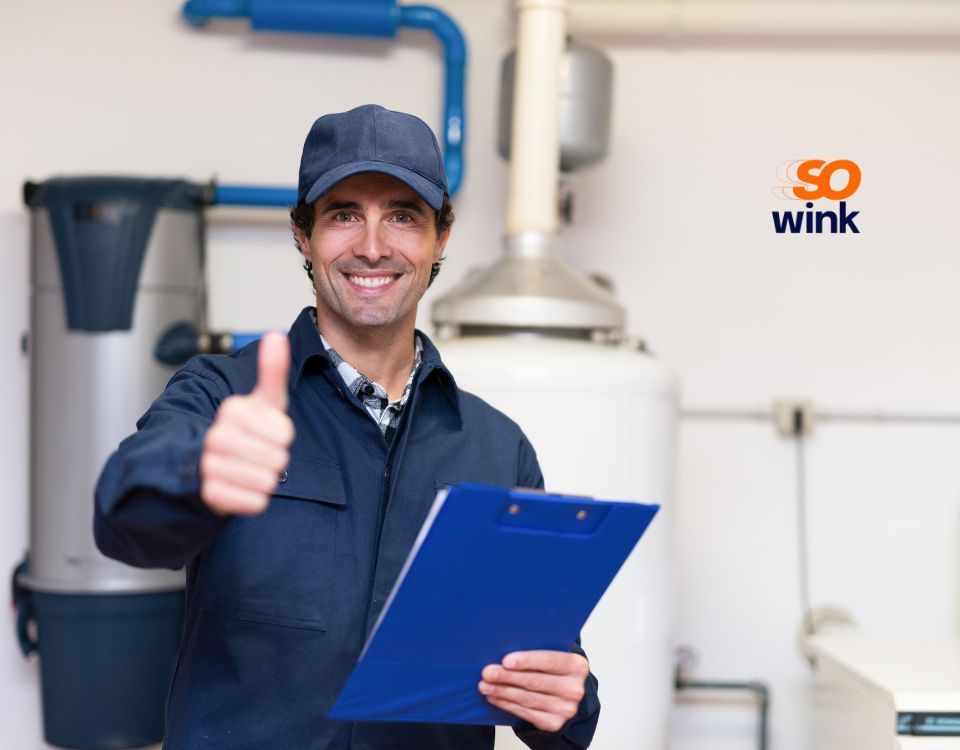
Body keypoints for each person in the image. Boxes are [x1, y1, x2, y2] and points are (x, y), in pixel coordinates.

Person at [94, 104, 600, 750]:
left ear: (440, 238)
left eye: (402, 215)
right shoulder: (223, 398)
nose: (371, 245)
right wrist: (195, 472)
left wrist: (563, 702)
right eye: (342, 214)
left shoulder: (498, 450)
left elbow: (557, 692)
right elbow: (124, 521)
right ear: (302, 234)